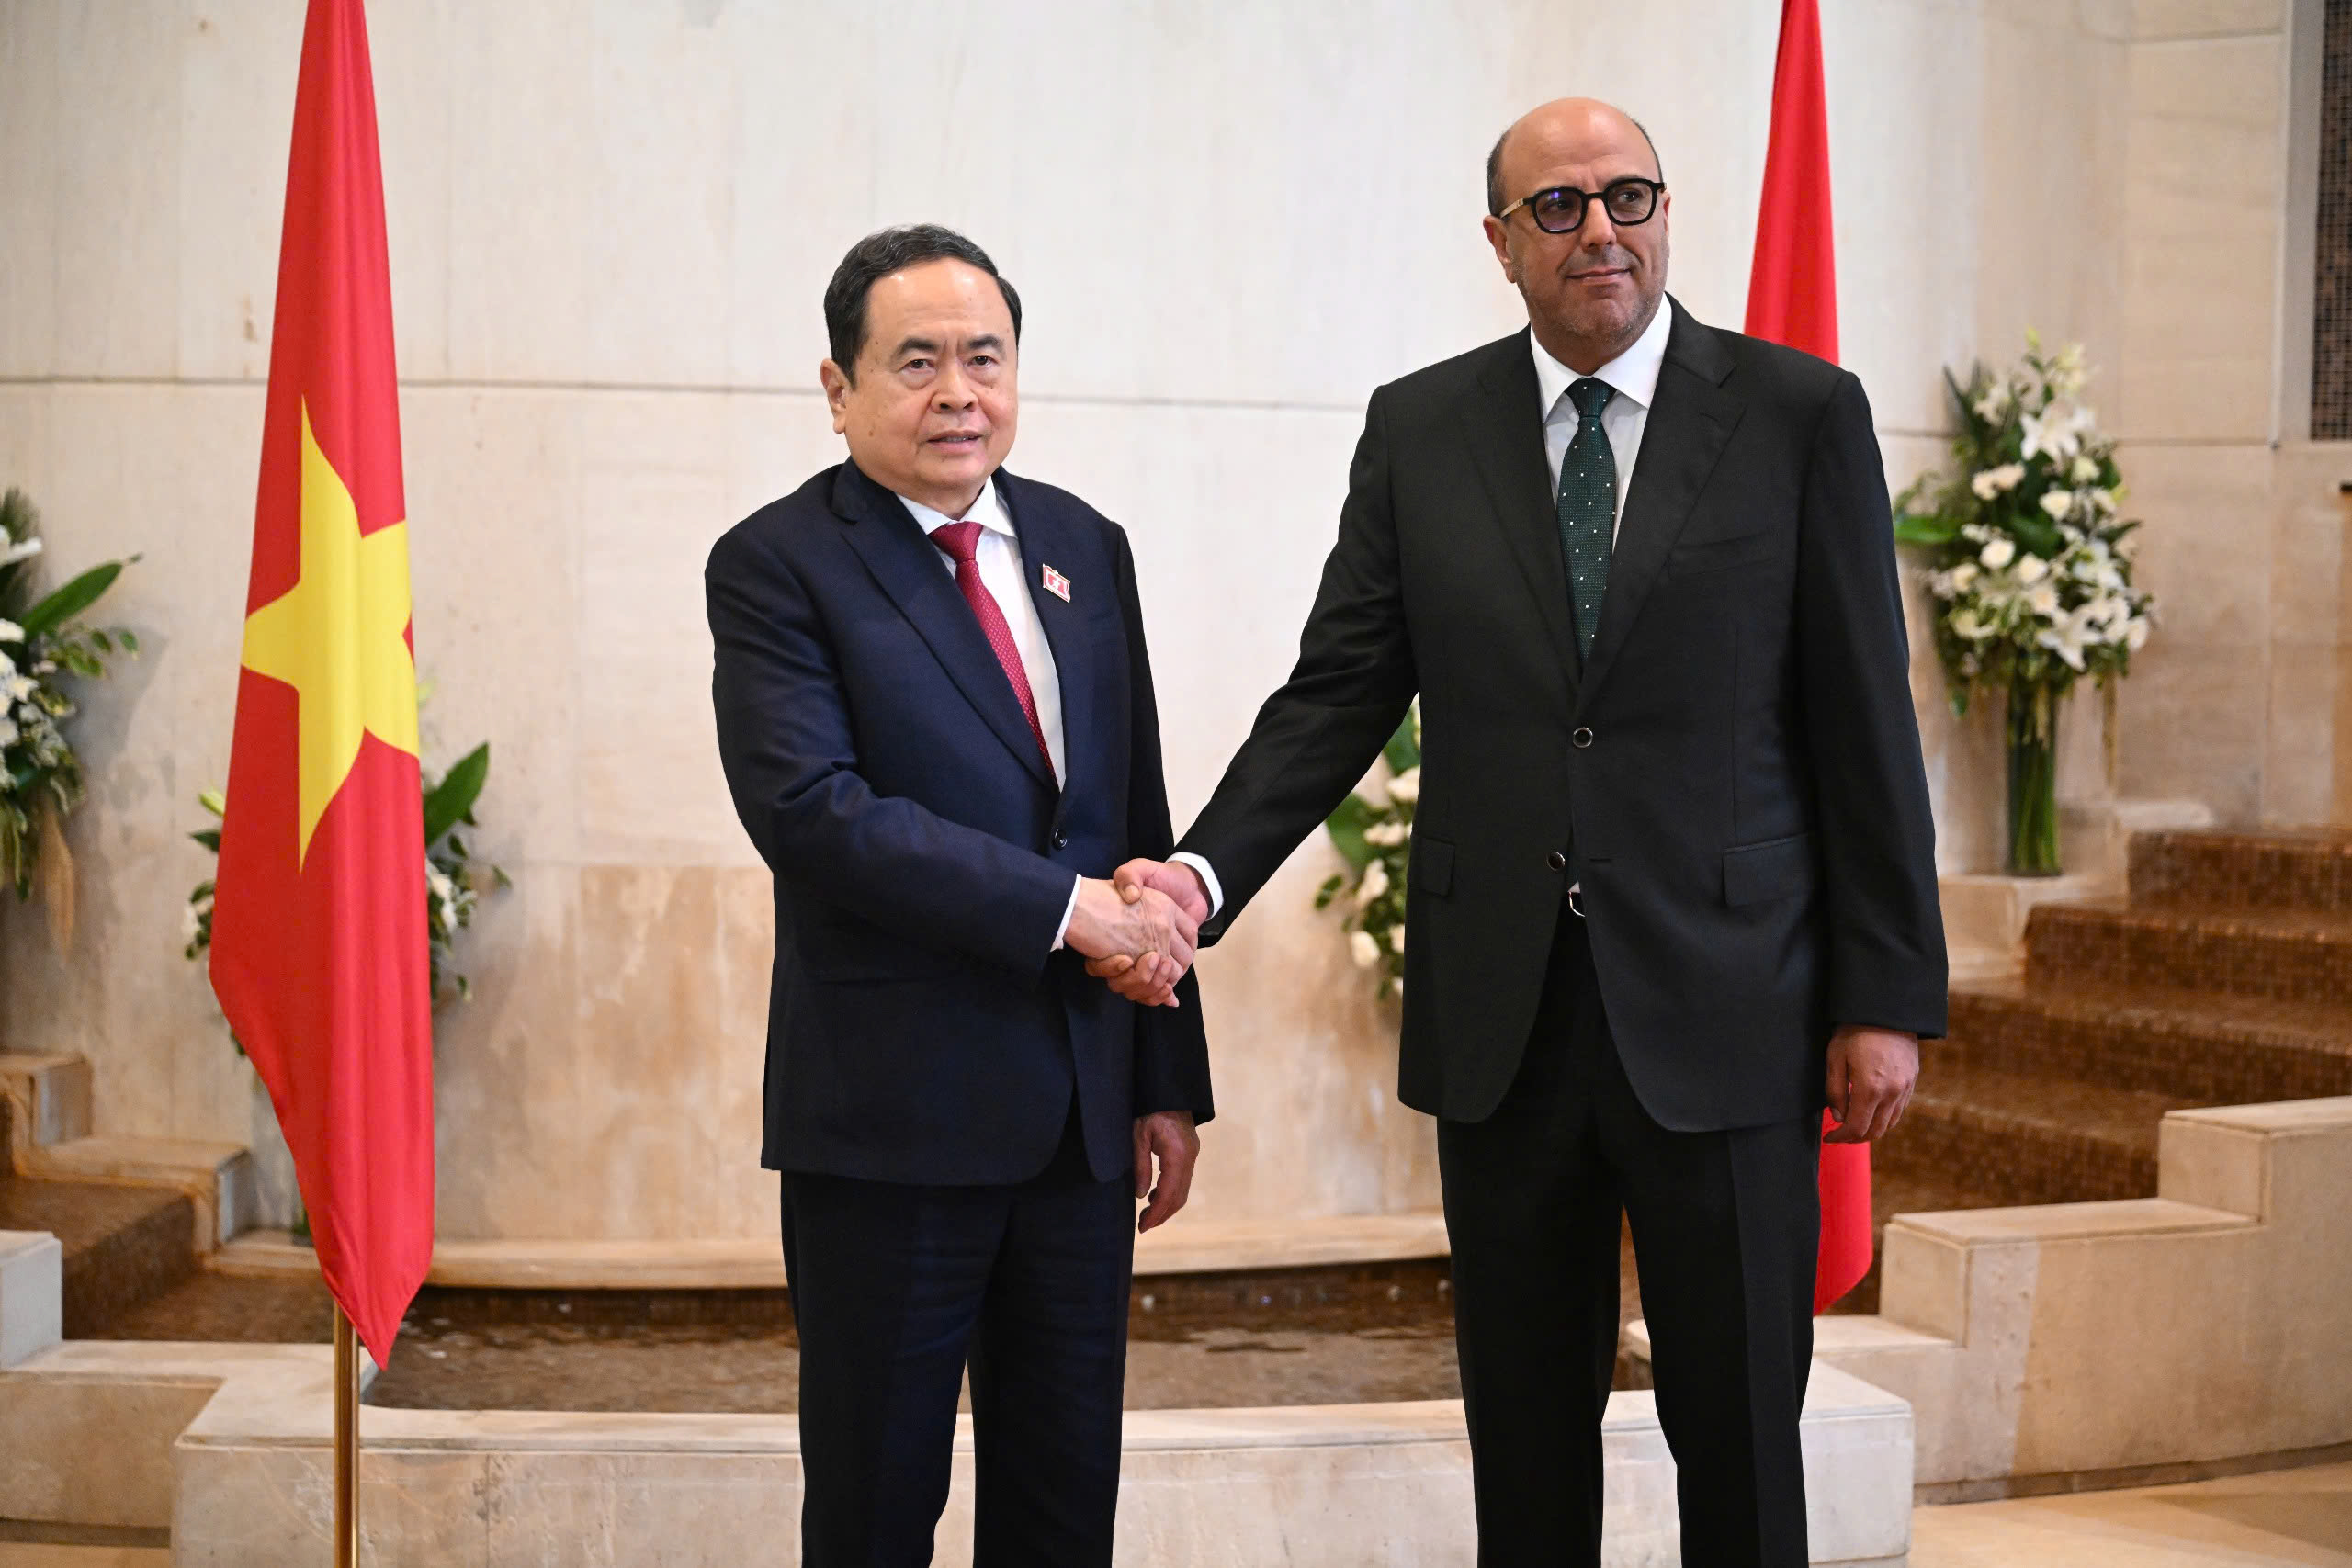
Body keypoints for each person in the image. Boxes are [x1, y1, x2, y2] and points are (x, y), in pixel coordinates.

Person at [1099, 99, 1946, 1565]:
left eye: (1628, 196)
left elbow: (1864, 720)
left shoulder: (1800, 414)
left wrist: (1885, 994)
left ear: (1667, 213)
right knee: (1527, 1437)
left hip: (1732, 1007)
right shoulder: (1422, 428)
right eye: (1558, 207)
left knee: (1742, 1434)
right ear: (1500, 243)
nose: (1598, 230)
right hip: (1507, 1025)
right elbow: (1338, 692)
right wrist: (1196, 874)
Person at [706, 223, 1214, 1568]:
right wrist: (1068, 912)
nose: (958, 393)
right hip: (894, 1127)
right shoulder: (777, 564)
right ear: (839, 388)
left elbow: (1135, 812)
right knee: (875, 1514)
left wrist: (1165, 1076)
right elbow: (815, 815)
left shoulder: (1083, 543)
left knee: (1062, 1510)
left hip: (1081, 1127)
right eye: (916, 361)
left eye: (984, 358)